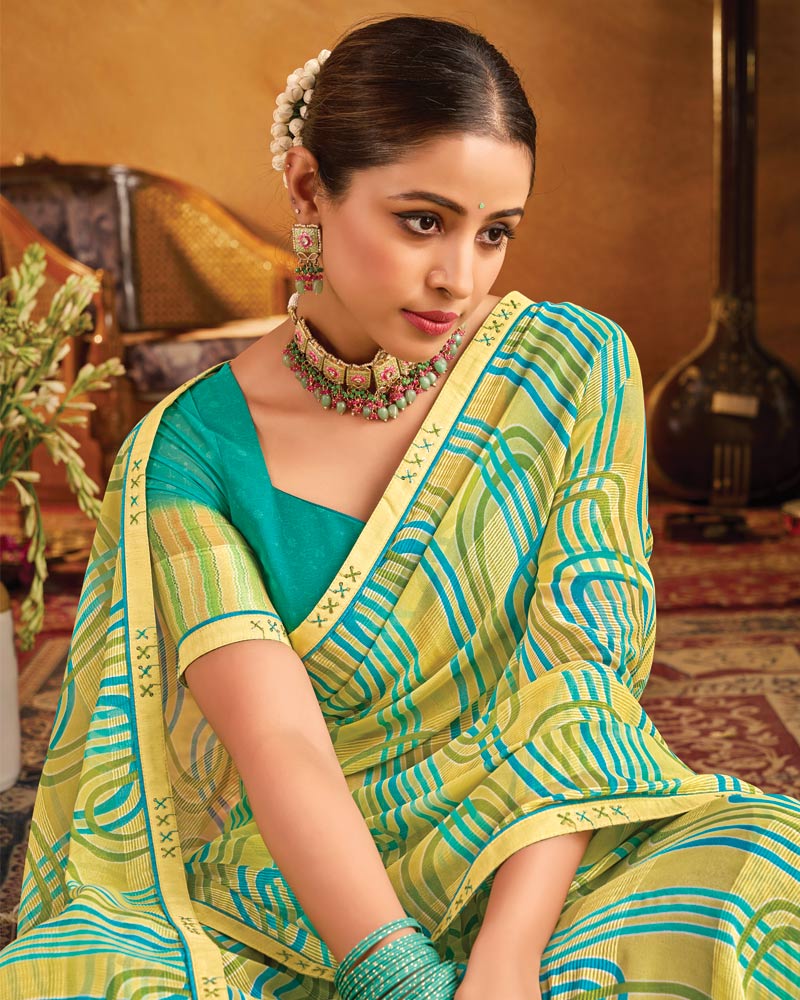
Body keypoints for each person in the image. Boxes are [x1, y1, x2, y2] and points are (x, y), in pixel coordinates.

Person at [1, 14, 798, 1000]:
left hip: (546, 856)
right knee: (77, 979)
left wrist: (504, 960)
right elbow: (281, 742)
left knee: (765, 878)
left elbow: (580, 688)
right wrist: (404, 979)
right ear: (308, 187)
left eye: (494, 232)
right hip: (305, 891)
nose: (458, 277)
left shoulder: (569, 368)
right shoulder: (189, 453)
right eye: (423, 220)